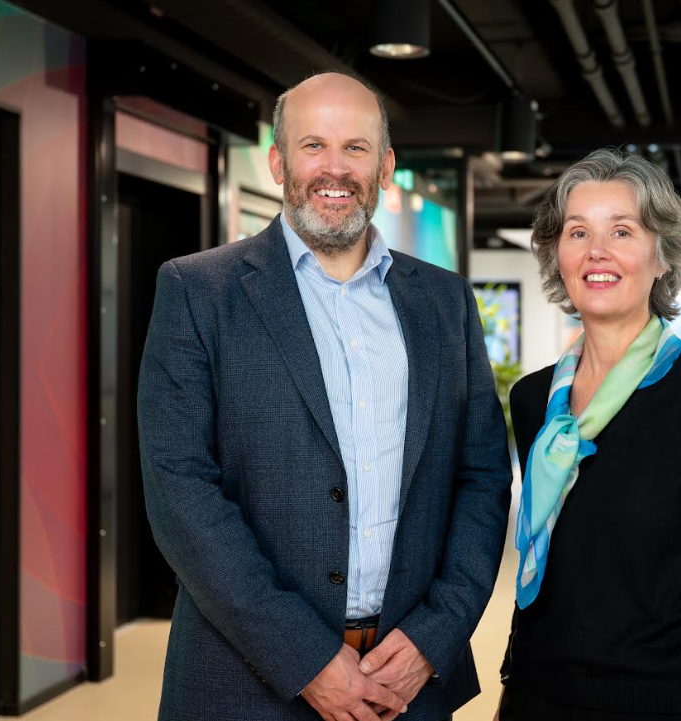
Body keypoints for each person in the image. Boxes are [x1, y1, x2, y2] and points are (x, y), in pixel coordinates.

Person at [137, 70, 512, 721]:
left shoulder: (444, 301)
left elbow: (481, 475)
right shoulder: (200, 292)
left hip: (409, 683)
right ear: (280, 161)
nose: (334, 168)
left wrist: (437, 632)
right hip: (243, 679)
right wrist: (302, 655)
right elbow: (180, 490)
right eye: (313, 145)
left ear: (387, 165)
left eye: (356, 147)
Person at [495, 149, 681, 721]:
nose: (596, 251)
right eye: (578, 232)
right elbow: (546, 558)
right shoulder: (533, 401)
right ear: (559, 255)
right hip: (535, 693)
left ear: (660, 256)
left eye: (621, 230)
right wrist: (510, 684)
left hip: (657, 701)